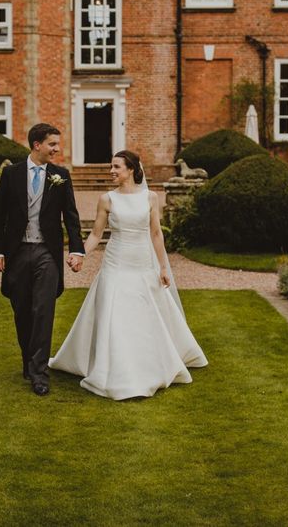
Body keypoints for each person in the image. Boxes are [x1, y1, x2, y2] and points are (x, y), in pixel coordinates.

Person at [48, 150, 208, 400]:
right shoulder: (107, 199)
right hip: (115, 262)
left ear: (131, 169)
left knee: (145, 311)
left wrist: (164, 267)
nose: (111, 171)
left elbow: (156, 234)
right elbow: (96, 235)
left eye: (116, 167)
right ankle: (113, 367)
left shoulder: (150, 198)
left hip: (143, 261)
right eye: (111, 166)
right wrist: (80, 254)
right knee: (114, 312)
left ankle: (148, 362)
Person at [0, 123, 85, 397]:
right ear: (37, 145)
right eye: (53, 144)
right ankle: (28, 362)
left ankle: (40, 373)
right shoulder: (11, 174)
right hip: (18, 252)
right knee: (22, 312)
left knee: (43, 311)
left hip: (47, 253)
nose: (57, 149)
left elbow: (72, 216)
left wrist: (76, 250)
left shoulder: (61, 175)